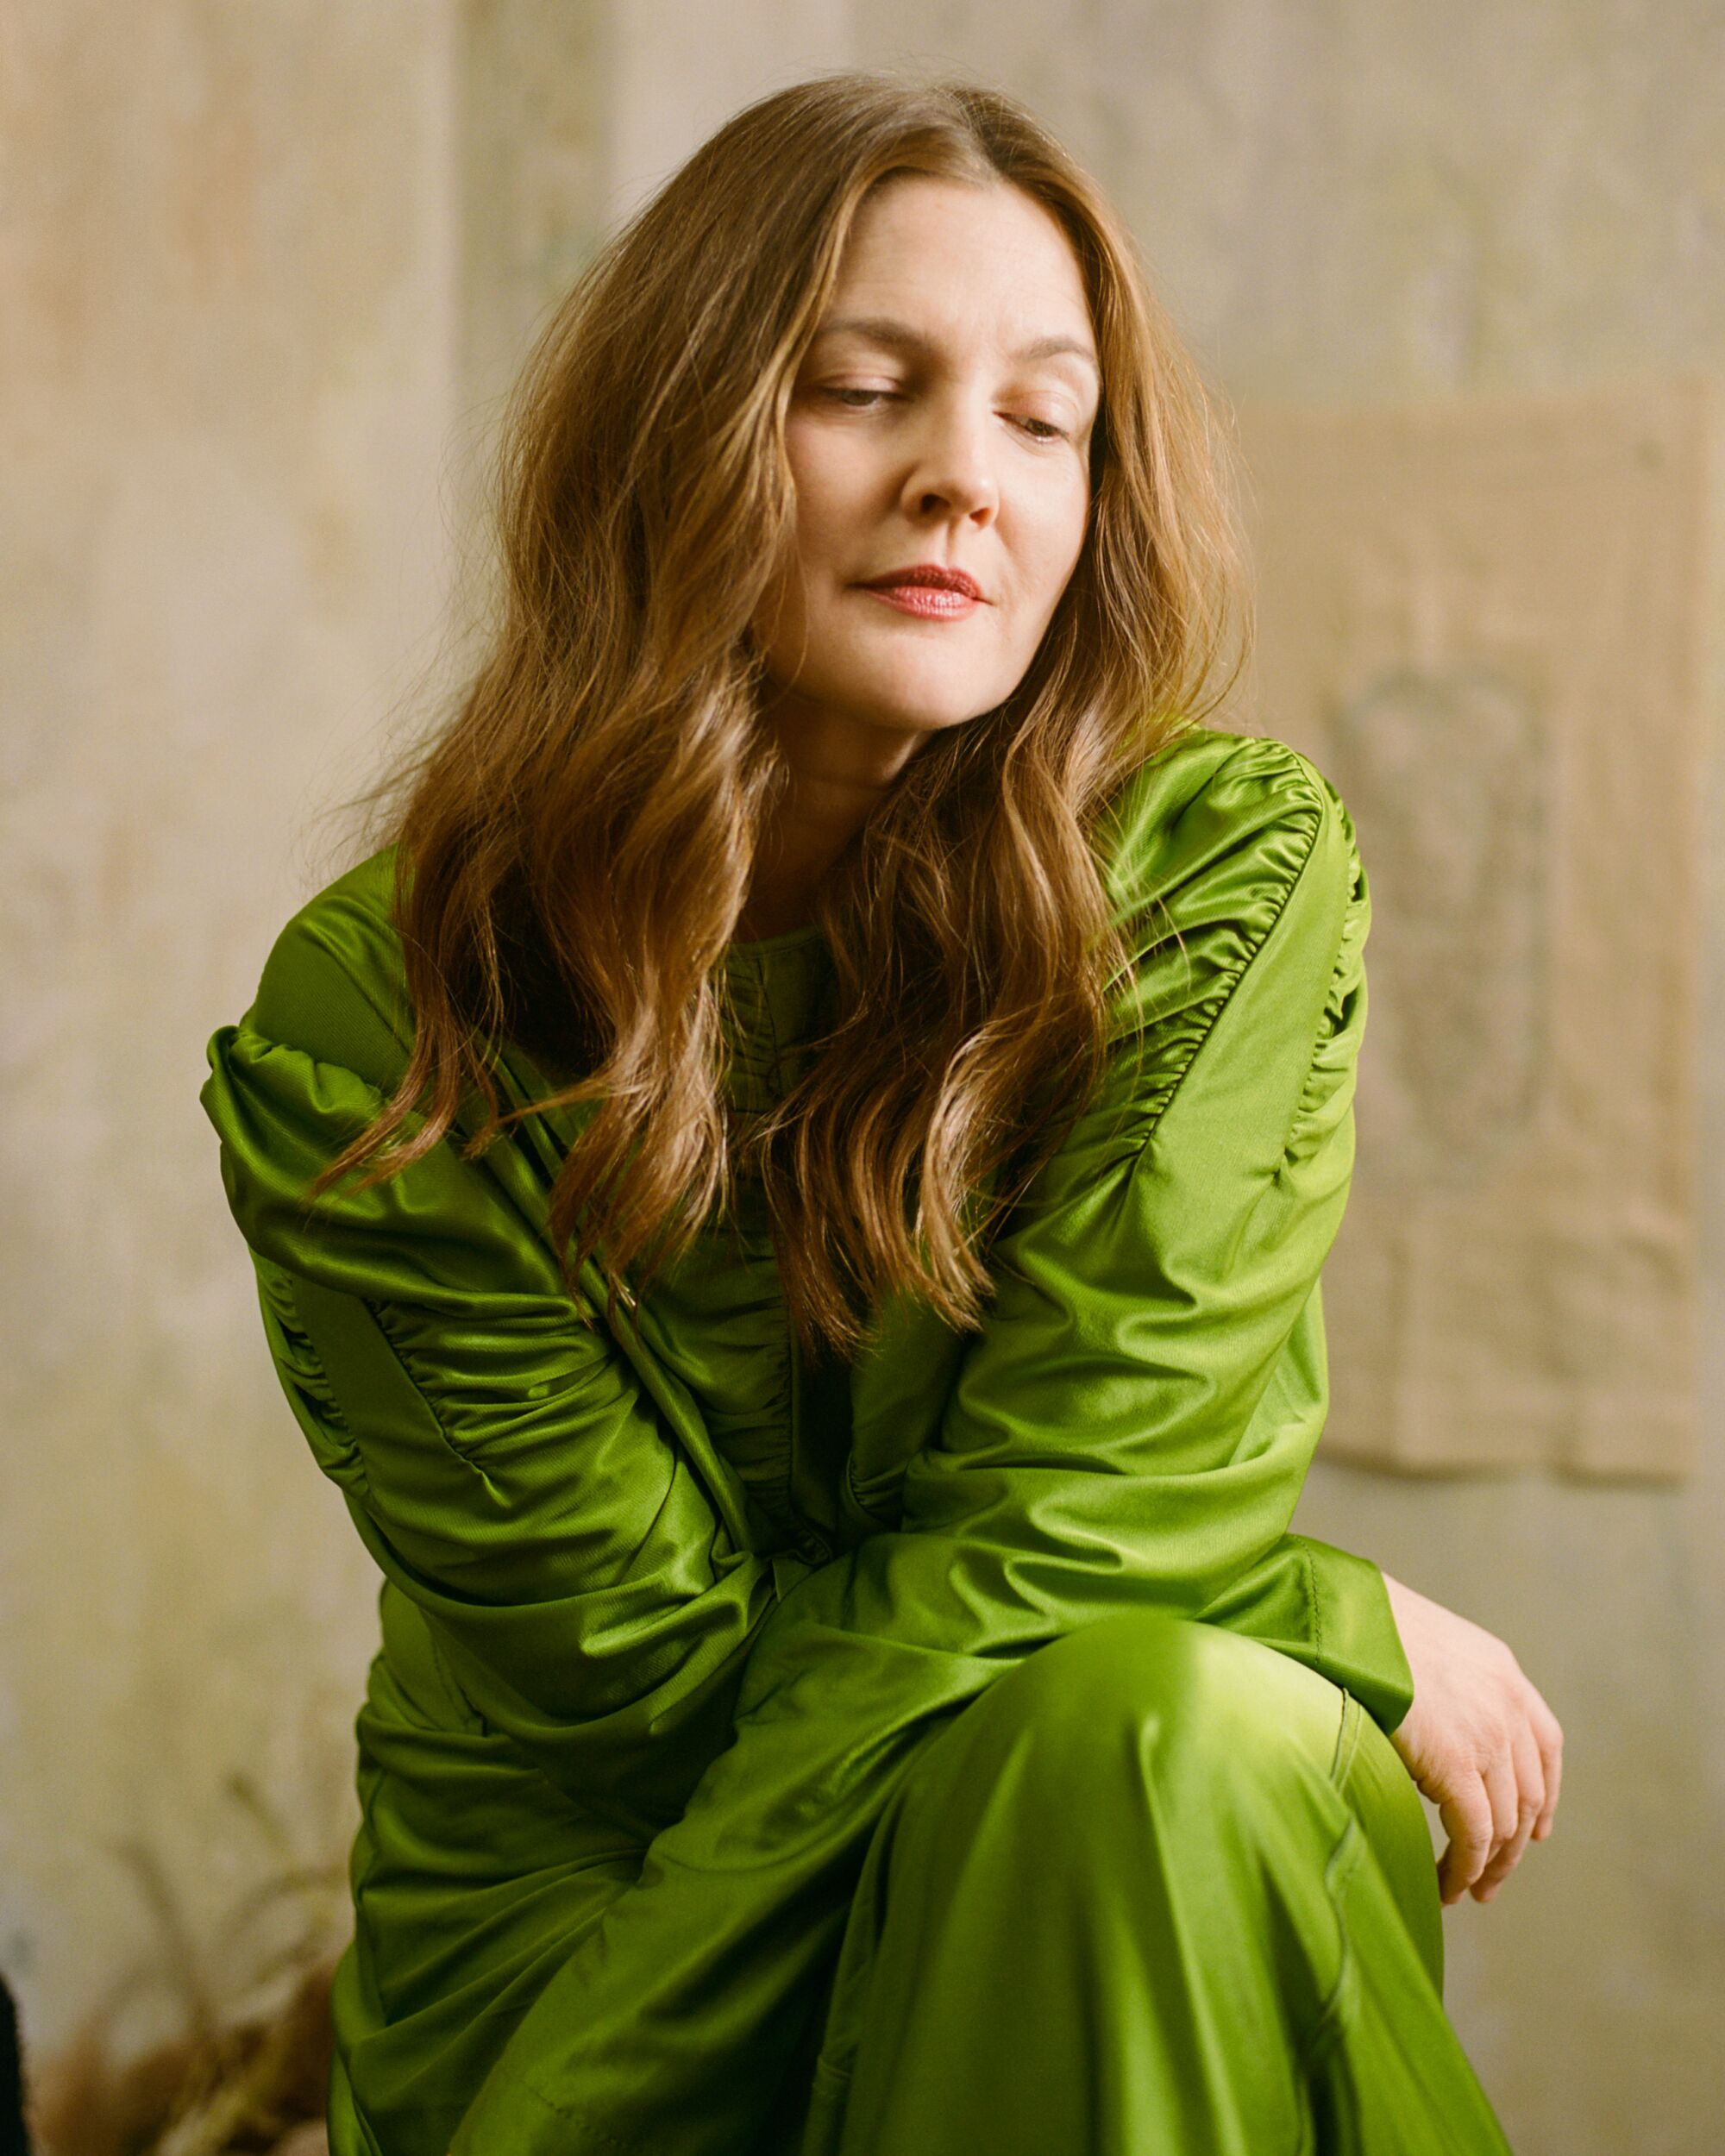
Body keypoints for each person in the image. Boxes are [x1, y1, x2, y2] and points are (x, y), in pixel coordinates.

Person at [200, 71, 1562, 2156]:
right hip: (619, 1896)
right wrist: (1314, 1604)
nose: (965, 483)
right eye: (863, 388)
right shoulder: (382, 1014)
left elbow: (1094, 1509)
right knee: (1158, 1687)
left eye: (1043, 418)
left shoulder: (1215, 875)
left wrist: (1205, 1606)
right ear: (677, 432)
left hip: (1089, 1816)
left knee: (1154, 1729)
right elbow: (646, 1677)